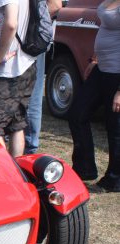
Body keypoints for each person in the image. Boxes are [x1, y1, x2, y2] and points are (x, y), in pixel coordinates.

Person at [68, 0, 120, 192]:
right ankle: (84, 168)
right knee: (77, 114)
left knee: (115, 128)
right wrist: (95, 58)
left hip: (117, 73)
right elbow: (103, 28)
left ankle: (114, 179)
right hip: (102, 68)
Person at [0, 0, 36, 157]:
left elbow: (11, 24)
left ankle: (4, 174)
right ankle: (16, 171)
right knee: (16, 124)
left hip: (9, 70)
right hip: (27, 64)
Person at [24, 0, 62, 154]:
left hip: (31, 41)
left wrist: (30, 23)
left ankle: (30, 147)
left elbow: (56, 5)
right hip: (16, 40)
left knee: (32, 96)